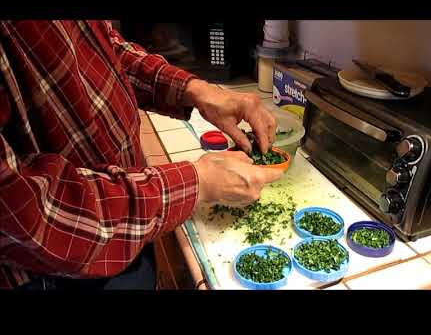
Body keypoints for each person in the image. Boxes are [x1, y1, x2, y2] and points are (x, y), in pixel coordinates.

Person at [0, 20, 283, 290]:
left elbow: (103, 48)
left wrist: (195, 89)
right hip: (53, 269)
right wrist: (197, 182)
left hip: (129, 217)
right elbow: (26, 210)